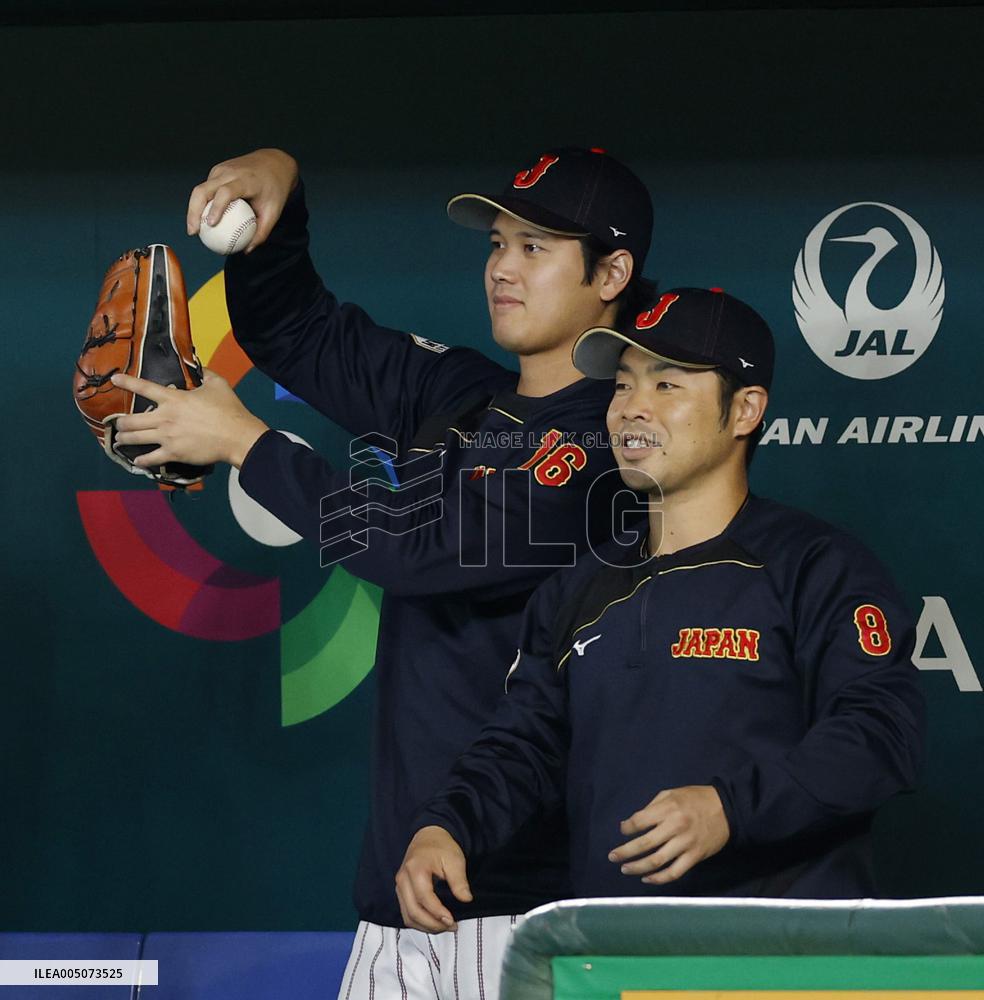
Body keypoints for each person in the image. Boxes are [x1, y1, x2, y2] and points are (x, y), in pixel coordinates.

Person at [110, 146, 656, 998]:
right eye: (497, 244)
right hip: (401, 894)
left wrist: (243, 443)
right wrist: (280, 200)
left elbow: (417, 547)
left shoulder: (608, 442)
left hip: (524, 900)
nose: (502, 268)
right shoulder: (463, 395)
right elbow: (301, 331)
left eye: (534, 248)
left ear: (612, 271)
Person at [396, 287, 927, 940]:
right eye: (622, 386)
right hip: (617, 964)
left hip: (788, 965)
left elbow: (880, 735)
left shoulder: (817, 566)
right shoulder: (575, 587)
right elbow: (521, 747)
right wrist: (445, 826)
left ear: (745, 411)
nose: (631, 410)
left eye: (667, 384)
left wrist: (730, 810)